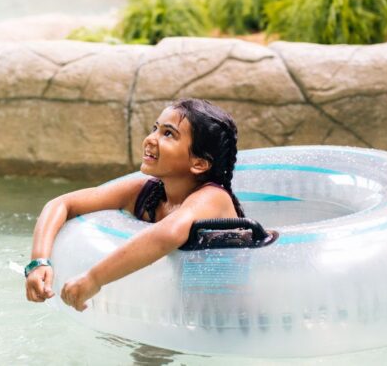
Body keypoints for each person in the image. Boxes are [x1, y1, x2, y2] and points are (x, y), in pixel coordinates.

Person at [25, 98, 245, 311]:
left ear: (199, 163)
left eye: (168, 134)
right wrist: (39, 262)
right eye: (155, 128)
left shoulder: (213, 197)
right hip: (181, 311)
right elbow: (63, 204)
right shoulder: (146, 194)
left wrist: (93, 278)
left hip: (231, 319)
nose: (150, 139)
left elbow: (168, 234)